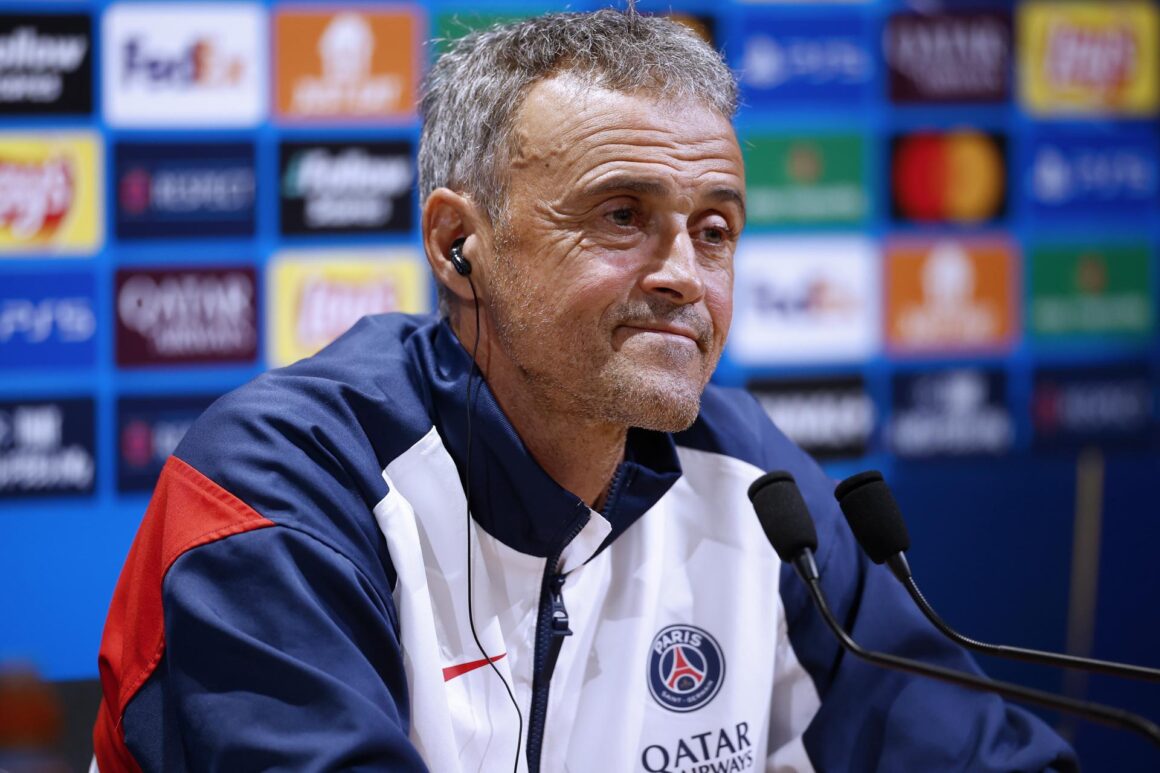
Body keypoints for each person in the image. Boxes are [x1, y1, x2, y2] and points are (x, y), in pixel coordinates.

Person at [93, 9, 1077, 772]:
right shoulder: (279, 487)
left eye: (714, 230)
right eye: (621, 215)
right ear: (458, 245)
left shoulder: (745, 473)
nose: (683, 275)